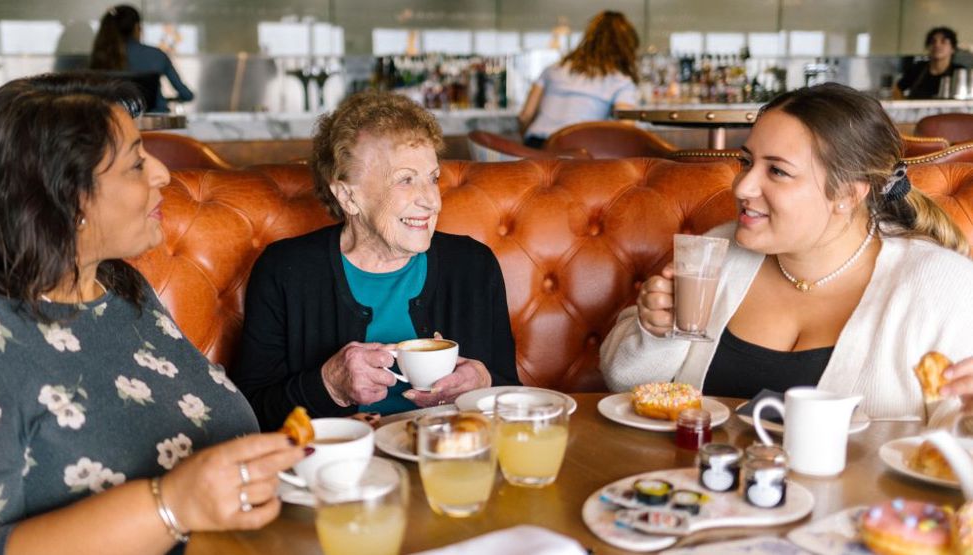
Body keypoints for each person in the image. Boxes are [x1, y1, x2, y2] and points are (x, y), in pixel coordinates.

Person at [0, 73, 303, 554]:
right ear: (67, 196)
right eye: (136, 163)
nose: (162, 173)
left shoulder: (121, 290)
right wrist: (170, 505)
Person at [599, 83, 973, 425]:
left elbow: (953, 445)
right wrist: (656, 331)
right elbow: (625, 384)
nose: (743, 186)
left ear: (848, 194)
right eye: (746, 162)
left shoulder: (943, 287)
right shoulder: (719, 253)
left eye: (777, 171)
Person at [232, 90, 519, 430]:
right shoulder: (286, 271)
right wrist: (328, 385)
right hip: (341, 470)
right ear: (347, 196)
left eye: (433, 178)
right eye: (405, 180)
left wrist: (484, 383)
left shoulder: (472, 265)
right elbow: (248, 411)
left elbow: (511, 392)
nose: (431, 201)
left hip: (448, 457)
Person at [518, 11, 641, 148]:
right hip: (577, 153)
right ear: (626, 47)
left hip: (535, 147)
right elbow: (626, 130)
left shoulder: (553, 69)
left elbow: (525, 115)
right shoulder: (621, 80)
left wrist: (527, 142)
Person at [91, 4, 194, 112]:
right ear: (137, 27)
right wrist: (165, 100)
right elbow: (186, 95)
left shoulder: (100, 56)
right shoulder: (157, 55)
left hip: (115, 122)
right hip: (156, 122)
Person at [895, 26, 966, 99]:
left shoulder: (959, 72)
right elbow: (897, 89)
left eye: (943, 41)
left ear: (953, 49)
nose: (937, 45)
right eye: (933, 41)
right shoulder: (917, 68)